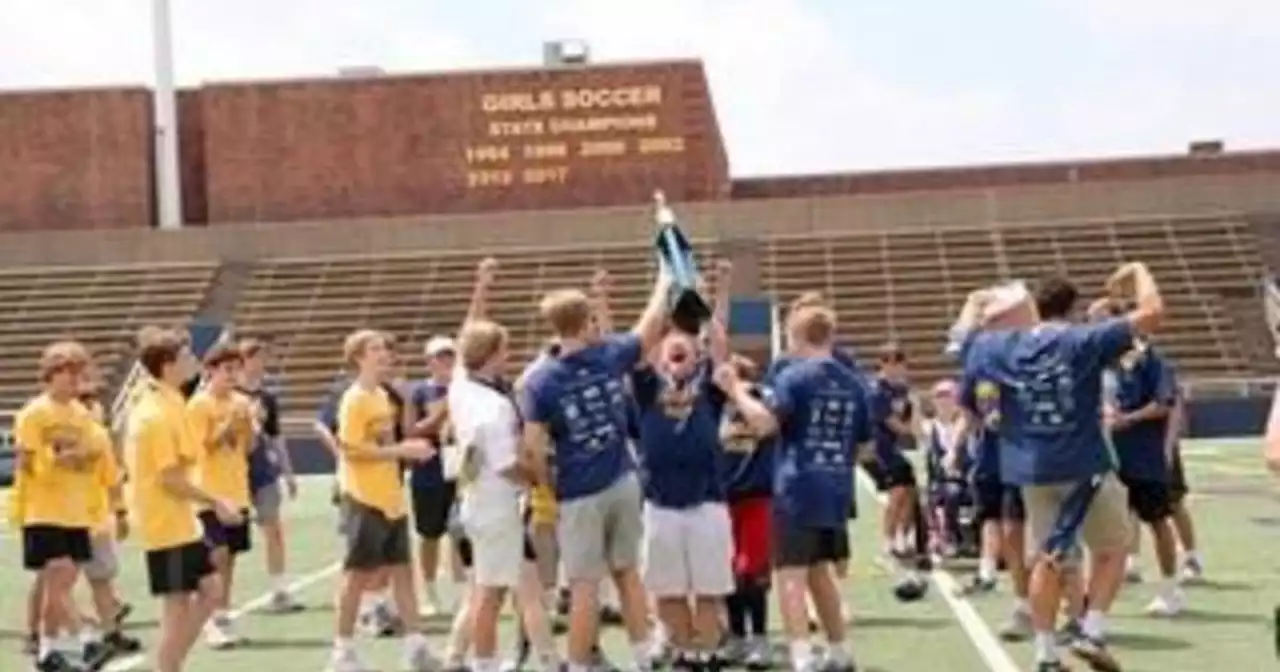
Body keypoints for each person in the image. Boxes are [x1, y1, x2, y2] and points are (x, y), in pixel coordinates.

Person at [955, 264, 1164, 672]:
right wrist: (1138, 272)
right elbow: (1154, 312)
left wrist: (977, 304)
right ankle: (1091, 628)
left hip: (1032, 470)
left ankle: (1046, 653)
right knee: (1113, 548)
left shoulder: (999, 347)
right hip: (1083, 465)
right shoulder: (1082, 339)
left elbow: (962, 340)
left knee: (1048, 558)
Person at [520, 268, 671, 672]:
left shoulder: (540, 382)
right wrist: (664, 278)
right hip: (622, 479)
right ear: (587, 320)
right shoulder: (608, 355)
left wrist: (546, 486)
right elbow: (652, 324)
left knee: (584, 584)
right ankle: (643, 656)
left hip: (578, 491)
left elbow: (533, 447)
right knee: (627, 574)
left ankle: (578, 663)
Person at [716, 301, 870, 672]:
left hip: (797, 486)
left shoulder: (794, 377)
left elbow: (766, 424)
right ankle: (839, 649)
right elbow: (864, 446)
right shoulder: (853, 382)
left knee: (790, 576)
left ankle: (801, 654)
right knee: (820, 571)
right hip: (834, 485)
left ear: (796, 336)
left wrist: (734, 390)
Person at [449, 259, 560, 672]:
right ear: (493, 354)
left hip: (477, 500)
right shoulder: (494, 407)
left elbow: (467, 332)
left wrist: (482, 289)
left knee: (512, 585)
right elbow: (506, 465)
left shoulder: (462, 386)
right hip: (498, 504)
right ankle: (484, 661)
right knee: (492, 592)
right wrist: (538, 478)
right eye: (503, 349)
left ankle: (541, 658)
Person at [630, 259, 734, 672]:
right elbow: (638, 347)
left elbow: (720, 342)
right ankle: (684, 652)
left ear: (696, 353)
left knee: (708, 590)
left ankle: (705, 652)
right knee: (668, 589)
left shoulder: (709, 387)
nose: (677, 346)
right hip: (660, 505)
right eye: (668, 343)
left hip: (706, 503)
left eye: (685, 343)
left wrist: (719, 293)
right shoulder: (645, 387)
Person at [325, 329, 440, 672]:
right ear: (358, 357)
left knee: (403, 573)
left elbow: (381, 445)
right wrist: (402, 450)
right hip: (364, 497)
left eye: (385, 349)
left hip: (390, 496)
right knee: (357, 576)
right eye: (374, 349)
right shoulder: (355, 398)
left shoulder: (380, 396)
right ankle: (343, 652)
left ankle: (415, 646)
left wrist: (405, 453)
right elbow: (351, 449)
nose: (384, 354)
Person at [126, 328, 239, 672]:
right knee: (177, 607)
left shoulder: (172, 400)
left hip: (181, 522)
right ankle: (168, 666)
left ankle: (171, 664)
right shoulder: (154, 414)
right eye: (187, 357)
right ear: (167, 365)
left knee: (210, 589)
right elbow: (169, 477)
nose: (195, 362)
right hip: (164, 524)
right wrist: (216, 500)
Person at [15, 341, 115, 672]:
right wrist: (56, 460)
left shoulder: (81, 414)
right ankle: (84, 639)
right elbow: (27, 461)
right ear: (52, 374)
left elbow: (94, 451)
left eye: (79, 374)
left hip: (75, 509)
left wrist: (82, 457)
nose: (75, 381)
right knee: (58, 573)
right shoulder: (35, 413)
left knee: (62, 581)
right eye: (69, 374)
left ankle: (47, 650)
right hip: (44, 508)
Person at [1104, 333, 1184, 617]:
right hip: (1112, 459)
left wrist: (1129, 418)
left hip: (1144, 458)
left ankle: (1170, 589)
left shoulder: (1152, 361)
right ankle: (1102, 597)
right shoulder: (1108, 363)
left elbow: (1165, 403)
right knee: (1110, 528)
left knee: (1158, 522)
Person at [187, 343, 257, 649]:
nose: (232, 375)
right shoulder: (199, 406)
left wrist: (249, 426)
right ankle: (208, 618)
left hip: (237, 490)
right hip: (208, 492)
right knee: (216, 555)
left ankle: (223, 612)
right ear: (211, 372)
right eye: (226, 369)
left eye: (235, 369)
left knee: (231, 558)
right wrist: (230, 423)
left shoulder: (241, 401)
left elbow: (250, 448)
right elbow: (204, 445)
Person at [76, 357, 143, 657]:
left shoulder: (97, 432)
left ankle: (110, 632)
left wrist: (120, 511)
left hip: (96, 514)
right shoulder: (63, 428)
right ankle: (64, 635)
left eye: (93, 398)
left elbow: (111, 475)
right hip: (67, 514)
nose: (91, 404)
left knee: (101, 576)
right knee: (62, 579)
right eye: (84, 398)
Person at [237, 338, 305, 613]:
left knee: (274, 530)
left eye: (264, 358)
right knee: (227, 540)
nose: (261, 364)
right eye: (256, 358)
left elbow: (276, 437)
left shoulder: (267, 398)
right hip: (233, 472)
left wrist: (288, 472)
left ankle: (279, 589)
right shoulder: (230, 396)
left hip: (263, 470)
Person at [718, 355, 775, 670]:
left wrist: (740, 392)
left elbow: (766, 425)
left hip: (756, 494)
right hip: (722, 497)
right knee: (727, 572)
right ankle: (737, 635)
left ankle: (760, 637)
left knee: (750, 571)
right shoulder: (712, 404)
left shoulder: (761, 398)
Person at [409, 334, 461, 616]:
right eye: (439, 357)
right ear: (429, 362)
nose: (445, 362)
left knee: (459, 531)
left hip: (459, 469)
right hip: (429, 472)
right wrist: (441, 412)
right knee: (429, 533)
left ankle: (458, 590)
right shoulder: (419, 392)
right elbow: (412, 430)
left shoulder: (466, 389)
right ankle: (429, 592)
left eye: (449, 356)